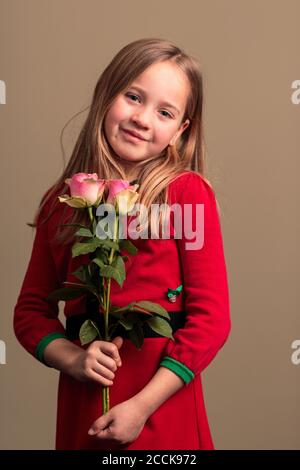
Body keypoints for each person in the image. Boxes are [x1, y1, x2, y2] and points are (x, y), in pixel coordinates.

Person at [13, 37, 231, 450]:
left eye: (164, 111)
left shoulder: (186, 194)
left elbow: (212, 320)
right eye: (133, 96)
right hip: (86, 403)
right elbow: (29, 313)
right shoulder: (60, 204)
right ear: (105, 93)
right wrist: (73, 359)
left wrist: (143, 406)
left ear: (180, 130)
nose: (142, 118)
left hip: (159, 403)